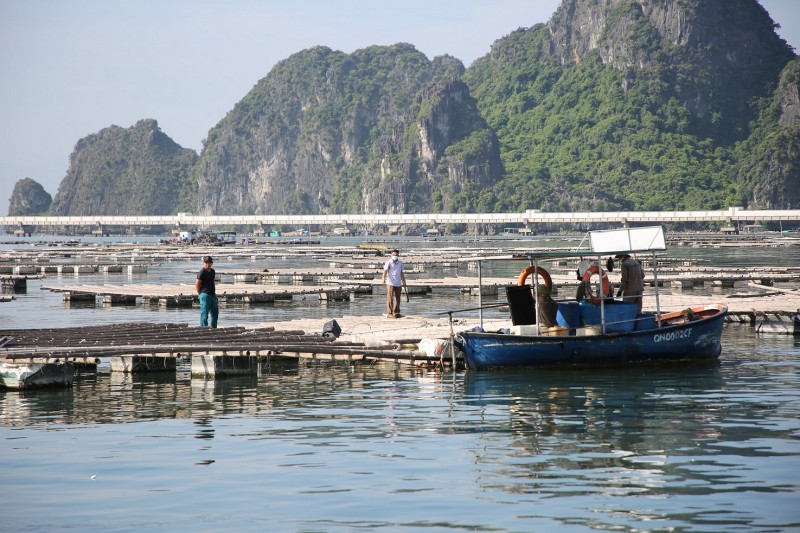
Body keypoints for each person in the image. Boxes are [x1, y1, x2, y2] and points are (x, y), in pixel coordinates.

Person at [382, 249, 406, 318]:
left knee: (398, 298)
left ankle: (396, 312)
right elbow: (385, 271)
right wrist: (383, 278)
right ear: (391, 255)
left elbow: (401, 273)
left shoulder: (400, 263)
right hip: (390, 282)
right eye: (393, 255)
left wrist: (404, 281)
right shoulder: (388, 262)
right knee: (390, 297)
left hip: (398, 282)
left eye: (396, 255)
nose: (394, 256)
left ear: (398, 255)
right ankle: (389, 313)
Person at [195, 255, 219, 328]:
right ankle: (203, 329)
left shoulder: (212, 271)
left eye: (209, 263)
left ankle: (214, 328)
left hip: (212, 294)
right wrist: (200, 294)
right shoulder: (202, 272)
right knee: (204, 314)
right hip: (205, 295)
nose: (207, 264)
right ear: (203, 263)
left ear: (211, 263)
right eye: (206, 263)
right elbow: (197, 284)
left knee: (215, 313)